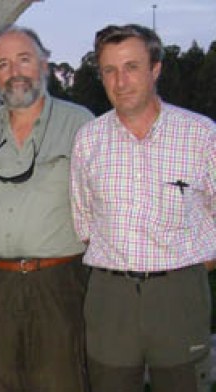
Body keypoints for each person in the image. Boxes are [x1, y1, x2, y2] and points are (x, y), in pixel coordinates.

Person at [70, 24, 216, 392]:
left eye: (132, 67)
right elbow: (83, 219)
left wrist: (190, 265)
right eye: (109, 70)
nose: (120, 81)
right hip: (110, 298)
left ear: (155, 69)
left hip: (179, 292)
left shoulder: (201, 135)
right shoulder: (88, 140)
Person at [0, 25, 94, 391]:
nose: (14, 72)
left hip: (59, 284)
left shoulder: (81, 124)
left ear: (44, 64)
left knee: (62, 381)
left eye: (24, 59)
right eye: (2, 64)